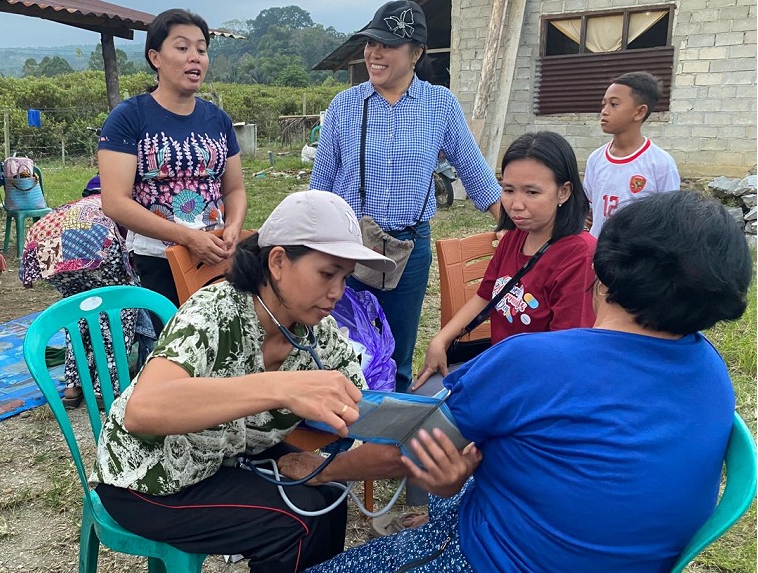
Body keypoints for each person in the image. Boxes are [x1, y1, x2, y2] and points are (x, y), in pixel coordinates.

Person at [306, 190, 751, 573]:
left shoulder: (534, 362)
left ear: (603, 268)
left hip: (498, 557)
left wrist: (315, 469)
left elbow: (412, 446)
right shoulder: (711, 367)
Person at [92, 191, 407, 573]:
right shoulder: (215, 312)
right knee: (295, 524)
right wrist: (280, 388)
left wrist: (415, 437)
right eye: (327, 273)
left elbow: (369, 411)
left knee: (328, 495)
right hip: (148, 477)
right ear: (277, 261)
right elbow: (144, 412)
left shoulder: (318, 337)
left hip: (220, 458)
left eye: (345, 277)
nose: (337, 292)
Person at [310, 0, 502, 394]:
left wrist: (520, 227)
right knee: (341, 354)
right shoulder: (345, 106)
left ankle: (386, 446)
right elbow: (320, 187)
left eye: (387, 46)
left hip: (409, 250)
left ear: (415, 54)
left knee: (397, 353)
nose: (374, 53)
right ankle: (340, 446)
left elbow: (476, 174)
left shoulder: (439, 105)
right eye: (371, 43)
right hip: (348, 248)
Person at [415, 131, 596, 391]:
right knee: (420, 397)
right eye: (508, 190)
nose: (516, 204)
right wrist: (441, 340)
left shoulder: (579, 255)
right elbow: (485, 295)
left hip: (539, 383)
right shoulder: (515, 237)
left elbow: (566, 349)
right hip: (500, 366)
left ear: (563, 192)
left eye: (532, 192)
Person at [98, 9, 247, 323]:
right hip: (158, 261)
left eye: (201, 50)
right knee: (172, 352)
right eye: (182, 48)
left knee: (220, 345)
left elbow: (234, 189)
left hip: (217, 256)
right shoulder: (129, 117)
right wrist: (188, 238)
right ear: (156, 57)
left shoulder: (217, 119)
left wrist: (232, 228)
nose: (195, 57)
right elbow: (115, 202)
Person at [19, 191, 136, 408]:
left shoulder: (80, 203)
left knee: (79, 311)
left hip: (46, 242)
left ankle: (73, 388)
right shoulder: (123, 198)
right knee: (118, 309)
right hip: (91, 241)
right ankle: (105, 388)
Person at [585, 71, 680, 237]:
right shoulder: (596, 159)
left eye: (614, 104)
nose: (604, 111)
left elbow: (669, 221)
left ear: (639, 112)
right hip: (597, 255)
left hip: (635, 258)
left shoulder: (661, 164)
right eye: (603, 104)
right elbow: (590, 211)